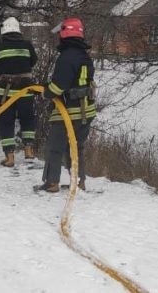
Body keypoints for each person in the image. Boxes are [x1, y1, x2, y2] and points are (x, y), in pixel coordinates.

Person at [36, 17, 96, 193]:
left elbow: (57, 87)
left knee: (55, 147)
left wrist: (45, 91)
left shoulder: (66, 57)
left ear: (64, 34)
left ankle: (52, 182)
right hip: (86, 111)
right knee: (76, 148)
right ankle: (79, 182)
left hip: (68, 112)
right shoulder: (84, 56)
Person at [0, 17, 38, 167]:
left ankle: (9, 158)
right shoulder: (27, 46)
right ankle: (28, 150)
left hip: (5, 94)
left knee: (6, 122)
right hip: (26, 91)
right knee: (27, 119)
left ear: (4, 31)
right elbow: (33, 62)